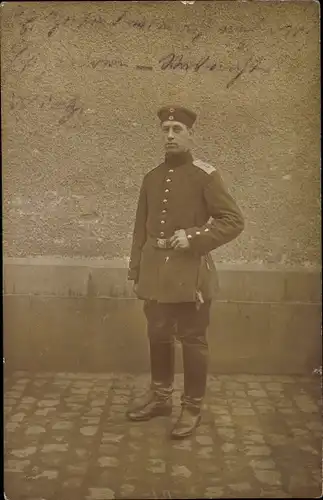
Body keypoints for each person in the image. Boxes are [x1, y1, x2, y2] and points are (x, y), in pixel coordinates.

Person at [126, 105, 244, 439]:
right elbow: (141, 230)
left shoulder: (205, 175)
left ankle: (192, 407)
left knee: (193, 340)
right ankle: (161, 398)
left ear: (190, 134)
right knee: (158, 335)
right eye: (166, 130)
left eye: (178, 129)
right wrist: (137, 271)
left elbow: (233, 221)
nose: (171, 135)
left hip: (190, 273)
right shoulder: (151, 177)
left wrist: (192, 236)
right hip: (156, 274)